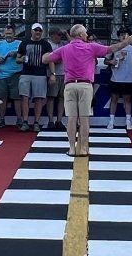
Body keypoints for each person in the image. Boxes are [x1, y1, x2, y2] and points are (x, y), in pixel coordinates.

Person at [43, 23, 110, 158]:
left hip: (70, 84)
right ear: (80, 35)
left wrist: (47, 53)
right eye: (85, 33)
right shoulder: (91, 47)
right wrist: (127, 42)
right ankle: (83, 148)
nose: (87, 35)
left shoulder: (64, 48)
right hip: (85, 85)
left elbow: (45, 59)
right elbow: (111, 49)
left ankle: (72, 148)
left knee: (71, 118)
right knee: (84, 119)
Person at [16, 24, 50, 130]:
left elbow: (50, 60)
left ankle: (36, 122)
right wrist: (22, 59)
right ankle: (25, 121)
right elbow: (17, 59)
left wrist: (52, 74)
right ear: (31, 31)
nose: (38, 32)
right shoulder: (24, 43)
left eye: (40, 31)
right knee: (24, 98)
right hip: (26, 73)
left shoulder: (46, 44)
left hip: (40, 74)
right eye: (36, 30)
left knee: (38, 99)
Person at [103, 31, 132, 129]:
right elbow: (105, 61)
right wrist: (111, 62)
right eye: (121, 35)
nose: (123, 36)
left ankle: (128, 121)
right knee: (114, 99)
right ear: (118, 37)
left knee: (128, 100)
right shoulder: (114, 48)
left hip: (129, 79)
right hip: (115, 79)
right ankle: (111, 121)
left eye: (125, 34)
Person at [0, 26, 24, 130]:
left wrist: (16, 54)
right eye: (6, 34)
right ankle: (1, 119)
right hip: (1, 75)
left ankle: (19, 119)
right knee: (2, 98)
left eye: (10, 33)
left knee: (17, 98)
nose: (8, 35)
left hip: (16, 74)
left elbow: (25, 55)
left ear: (14, 34)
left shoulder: (20, 43)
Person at [44, 28, 67, 128]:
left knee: (62, 97)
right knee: (51, 97)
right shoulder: (48, 45)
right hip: (53, 74)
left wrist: (66, 34)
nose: (60, 37)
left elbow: (73, 43)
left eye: (61, 35)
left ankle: (59, 120)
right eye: (58, 35)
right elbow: (47, 59)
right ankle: (50, 120)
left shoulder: (63, 44)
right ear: (52, 35)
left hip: (64, 73)